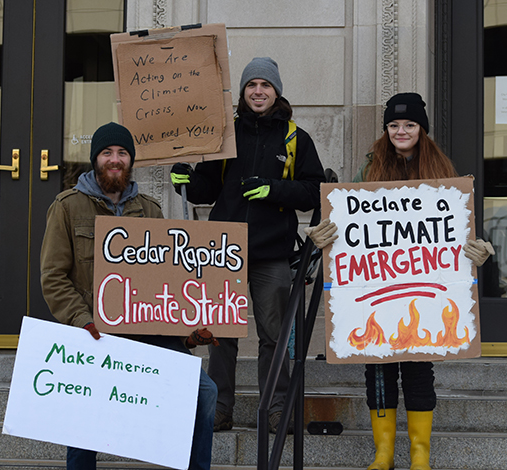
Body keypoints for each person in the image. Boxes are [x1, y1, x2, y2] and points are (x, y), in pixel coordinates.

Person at [304, 92, 494, 470]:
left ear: (422, 129)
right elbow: (345, 221)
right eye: (393, 125)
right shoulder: (370, 169)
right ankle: (384, 452)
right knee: (378, 366)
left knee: (419, 368)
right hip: (377, 291)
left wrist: (480, 250)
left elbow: (460, 229)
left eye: (409, 125)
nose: (400, 131)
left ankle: (420, 454)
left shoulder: (443, 173)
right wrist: (321, 233)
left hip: (425, 292)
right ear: (386, 129)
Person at [40, 122, 219, 470]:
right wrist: (85, 321)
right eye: (107, 153)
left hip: (147, 336)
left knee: (204, 392)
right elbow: (53, 278)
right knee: (84, 413)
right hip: (93, 336)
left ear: (130, 161)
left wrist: (188, 333)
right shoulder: (67, 207)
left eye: (122, 153)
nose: (115, 159)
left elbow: (168, 283)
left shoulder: (151, 210)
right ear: (95, 160)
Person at [169, 57, 326, 433]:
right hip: (224, 252)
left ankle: (275, 409)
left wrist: (275, 189)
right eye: (252, 85)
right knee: (219, 336)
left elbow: (315, 192)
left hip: (272, 254)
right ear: (242, 92)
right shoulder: (223, 134)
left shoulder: (294, 138)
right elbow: (206, 189)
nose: (258, 91)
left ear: (277, 92)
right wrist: (184, 180)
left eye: (265, 86)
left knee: (274, 335)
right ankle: (219, 408)